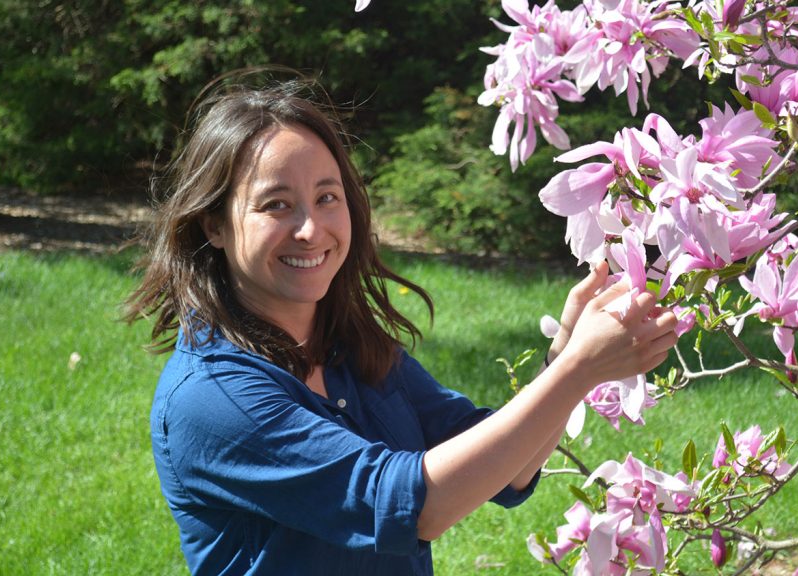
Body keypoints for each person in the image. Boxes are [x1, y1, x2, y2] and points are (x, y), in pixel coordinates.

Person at [126, 75, 679, 575]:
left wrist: (563, 356)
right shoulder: (212, 400)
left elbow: (507, 471)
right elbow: (414, 506)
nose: (310, 229)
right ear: (214, 225)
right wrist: (580, 370)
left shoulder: (347, 348)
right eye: (275, 205)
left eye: (327, 197)